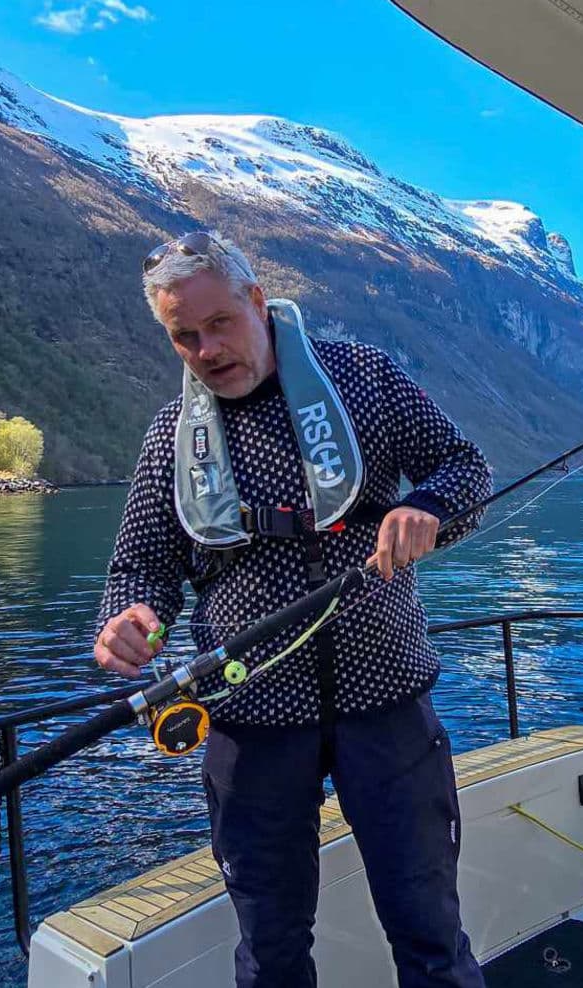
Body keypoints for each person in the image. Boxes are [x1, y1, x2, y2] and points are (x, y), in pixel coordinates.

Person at [93, 230, 492, 987]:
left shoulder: (364, 378)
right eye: (184, 336)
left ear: (257, 300)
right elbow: (142, 566)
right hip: (251, 719)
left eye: (220, 323)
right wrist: (129, 617)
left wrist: (429, 508)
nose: (207, 350)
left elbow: (464, 466)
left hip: (386, 701)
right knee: (270, 951)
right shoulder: (171, 436)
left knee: (430, 932)